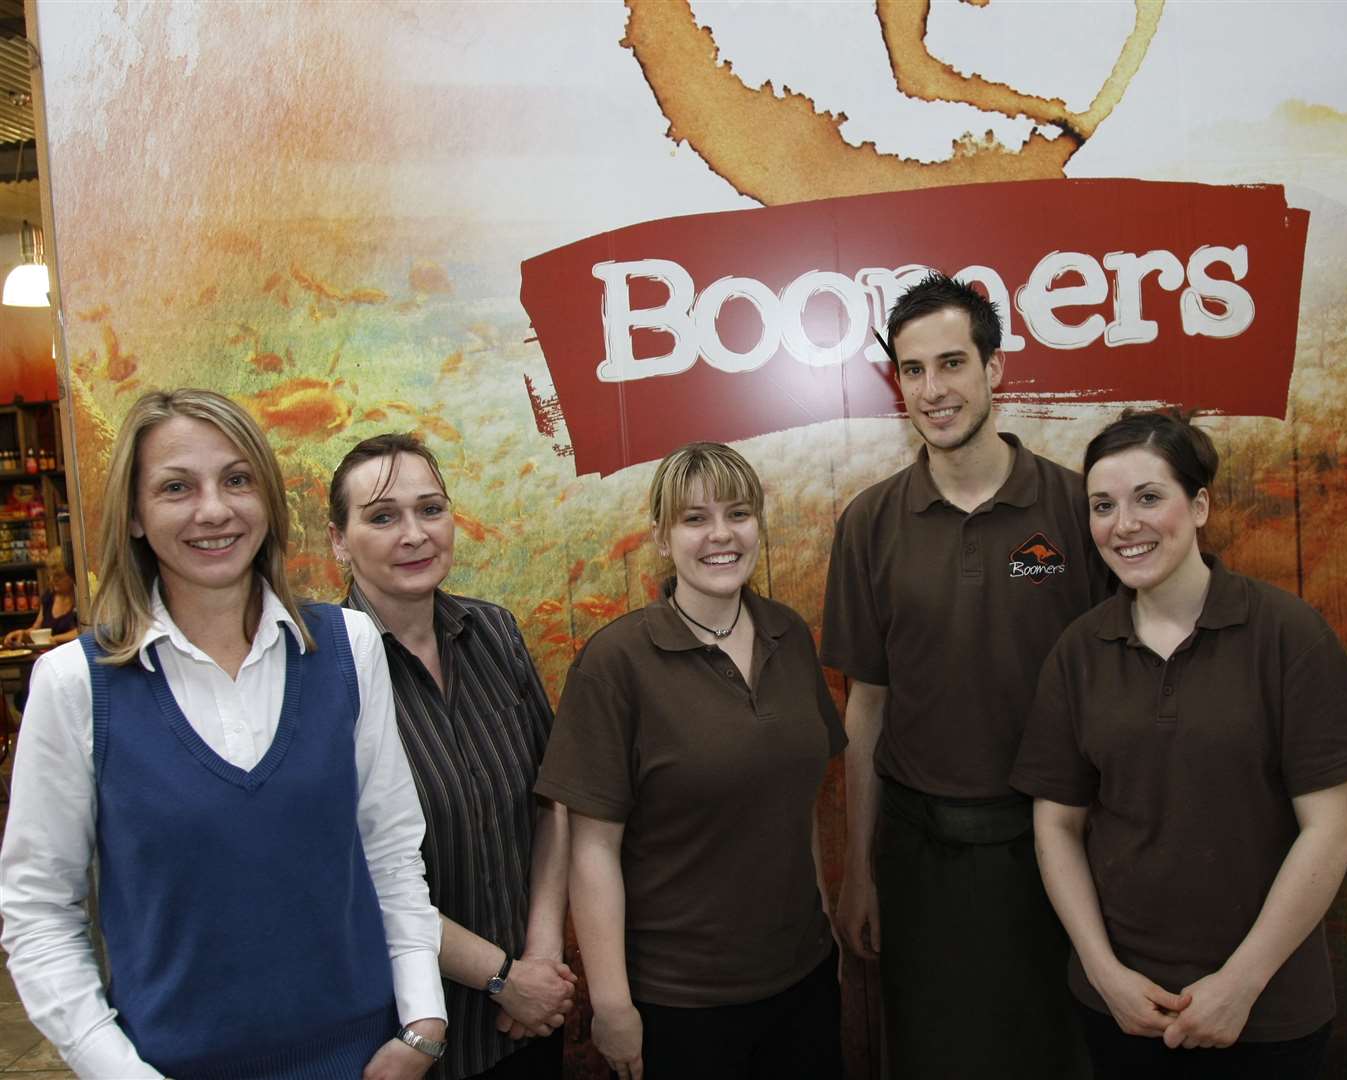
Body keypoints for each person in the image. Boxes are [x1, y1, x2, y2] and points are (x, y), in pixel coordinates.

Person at [0, 389, 447, 1079]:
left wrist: (421, 1022)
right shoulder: (75, 685)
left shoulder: (348, 646)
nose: (214, 510)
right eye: (177, 487)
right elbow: (39, 915)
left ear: (266, 500)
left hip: (364, 1060)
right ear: (137, 517)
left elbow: (389, 848)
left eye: (237, 480)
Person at [1010, 410, 1347, 1079]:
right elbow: (1056, 826)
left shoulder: (1286, 633)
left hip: (1268, 1010)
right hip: (1123, 1010)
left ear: (1198, 506)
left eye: (1148, 498)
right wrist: (1105, 973)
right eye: (1103, 506)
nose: (1123, 524)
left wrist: (1240, 985)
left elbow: (1333, 831)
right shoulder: (1079, 650)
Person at [822, 272, 1111, 1078]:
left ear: (996, 369)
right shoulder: (870, 523)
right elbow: (866, 711)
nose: (933, 390)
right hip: (921, 857)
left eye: (952, 363)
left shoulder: (1075, 508)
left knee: (1059, 1054)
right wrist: (860, 871)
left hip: (1057, 847)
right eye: (913, 371)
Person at [537, 442, 844, 1080]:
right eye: (694, 518)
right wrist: (613, 1004)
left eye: (738, 513)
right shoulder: (617, 663)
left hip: (803, 981)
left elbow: (799, 808)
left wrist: (825, 936)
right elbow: (591, 852)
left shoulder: (788, 636)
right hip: (680, 1005)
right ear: (660, 536)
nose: (720, 535)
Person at [329, 433, 575, 1080]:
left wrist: (540, 959)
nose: (414, 534)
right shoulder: (325, 675)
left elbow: (550, 803)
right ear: (338, 541)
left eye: (430, 509)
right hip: (412, 1043)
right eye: (382, 517)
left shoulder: (495, 632)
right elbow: (356, 875)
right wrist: (501, 978)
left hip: (529, 1021)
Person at [3, 546, 79, 647]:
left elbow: (84, 632)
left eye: (58, 576)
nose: (52, 581)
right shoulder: (49, 597)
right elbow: (37, 629)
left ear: (72, 575)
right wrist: (23, 633)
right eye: (50, 576)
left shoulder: (81, 599)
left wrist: (55, 639)